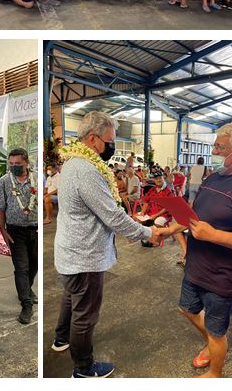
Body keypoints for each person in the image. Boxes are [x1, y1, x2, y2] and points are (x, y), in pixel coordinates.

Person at [52, 110, 168, 378]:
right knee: (85, 315)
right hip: (85, 255)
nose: (112, 148)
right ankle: (83, 369)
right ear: (93, 139)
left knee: (71, 299)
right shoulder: (86, 169)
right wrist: (147, 233)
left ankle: (61, 339)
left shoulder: (72, 162)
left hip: (71, 251)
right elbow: (113, 216)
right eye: (109, 141)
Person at [159, 122, 232, 378]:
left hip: (223, 275)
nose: (214, 151)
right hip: (196, 265)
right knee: (187, 308)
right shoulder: (212, 178)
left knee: (218, 331)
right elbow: (193, 217)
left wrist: (214, 235)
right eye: (214, 145)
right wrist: (169, 230)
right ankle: (213, 343)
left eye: (221, 147)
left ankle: (216, 371)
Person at [0, 148, 38, 325]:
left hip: (35, 229)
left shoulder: (36, 179)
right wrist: (3, 231)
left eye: (17, 164)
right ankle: (26, 304)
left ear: (26, 162)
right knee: (21, 267)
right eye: (11, 164)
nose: (14, 167)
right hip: (15, 231)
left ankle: (27, 290)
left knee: (34, 264)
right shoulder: (4, 181)